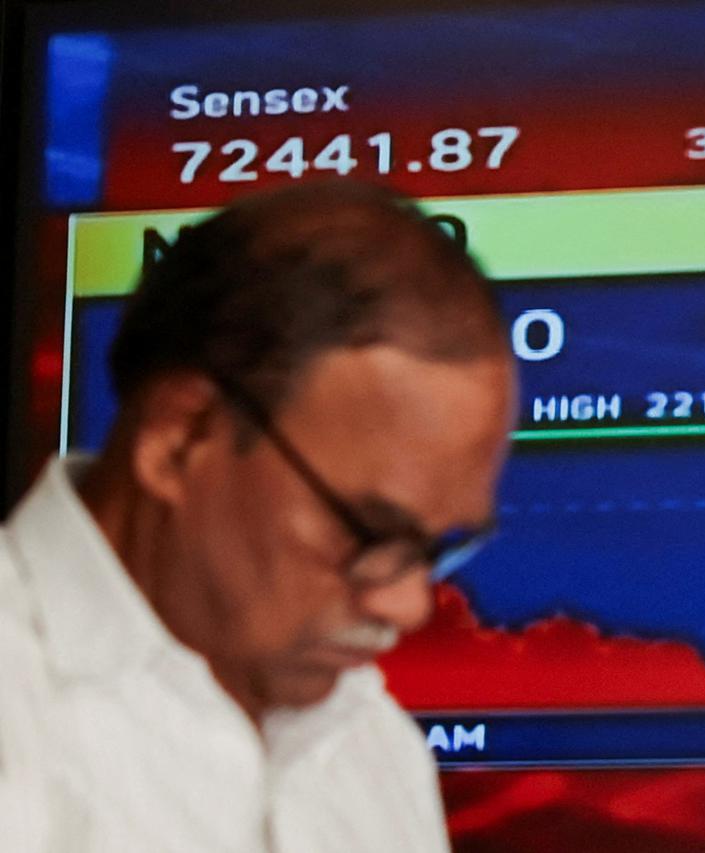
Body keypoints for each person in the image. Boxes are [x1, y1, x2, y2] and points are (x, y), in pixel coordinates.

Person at [0, 181, 516, 852]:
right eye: (369, 531)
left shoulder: (371, 746)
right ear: (182, 439)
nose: (409, 603)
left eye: (438, 544)